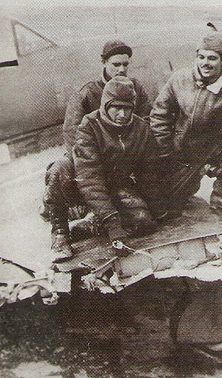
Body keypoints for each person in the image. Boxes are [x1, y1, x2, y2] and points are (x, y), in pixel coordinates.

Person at [42, 40, 152, 260]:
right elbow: (73, 138)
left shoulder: (135, 89)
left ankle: (94, 224)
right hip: (86, 165)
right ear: (104, 63)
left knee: (143, 221)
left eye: (125, 65)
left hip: (118, 169)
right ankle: (60, 233)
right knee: (59, 169)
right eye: (115, 64)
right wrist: (86, 176)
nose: (121, 70)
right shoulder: (86, 94)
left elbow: (146, 126)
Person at [150, 31, 222, 215]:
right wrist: (164, 151)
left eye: (212, 58)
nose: (205, 63)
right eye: (201, 57)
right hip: (181, 153)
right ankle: (187, 185)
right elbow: (160, 115)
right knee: (168, 207)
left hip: (212, 151)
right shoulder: (179, 79)